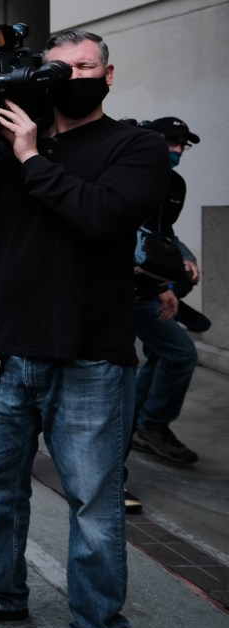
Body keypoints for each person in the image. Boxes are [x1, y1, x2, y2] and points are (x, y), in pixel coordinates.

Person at [0, 29, 170, 628]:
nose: (69, 76)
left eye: (83, 66)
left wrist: (32, 157)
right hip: (5, 349)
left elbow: (102, 216)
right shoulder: (15, 144)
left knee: (93, 501)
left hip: (91, 353)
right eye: (57, 68)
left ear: (107, 76)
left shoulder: (135, 145)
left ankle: (95, 622)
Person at [130, 116, 202, 464]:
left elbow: (163, 234)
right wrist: (163, 285)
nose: (177, 151)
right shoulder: (127, 171)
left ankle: (145, 426)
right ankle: (146, 427)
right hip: (116, 291)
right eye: (172, 143)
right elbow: (123, 234)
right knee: (176, 354)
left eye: (182, 146)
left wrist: (183, 259)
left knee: (168, 353)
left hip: (148, 289)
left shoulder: (175, 185)